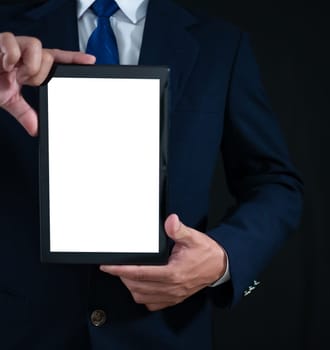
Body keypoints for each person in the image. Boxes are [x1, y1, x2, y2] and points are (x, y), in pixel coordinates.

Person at [0, 0, 303, 349]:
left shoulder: (221, 44)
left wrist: (223, 258)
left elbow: (275, 183)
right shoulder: (6, 36)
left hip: (164, 334)